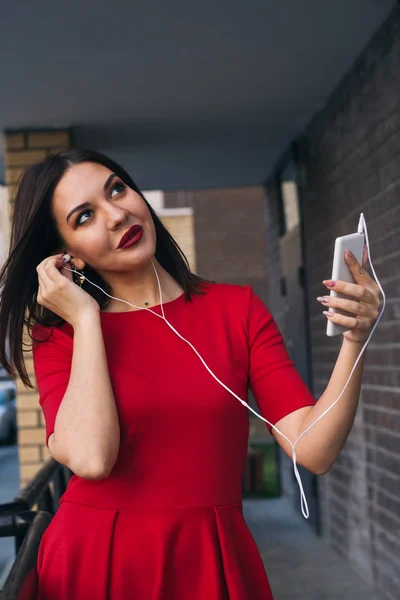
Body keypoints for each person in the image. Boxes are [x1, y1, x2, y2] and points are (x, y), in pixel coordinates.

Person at [0, 149, 381, 599]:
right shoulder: (61, 338)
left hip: (209, 557)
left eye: (117, 189)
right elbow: (91, 459)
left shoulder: (236, 309)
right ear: (67, 256)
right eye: (84, 217)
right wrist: (85, 320)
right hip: (97, 560)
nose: (117, 215)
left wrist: (355, 339)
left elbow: (312, 449)